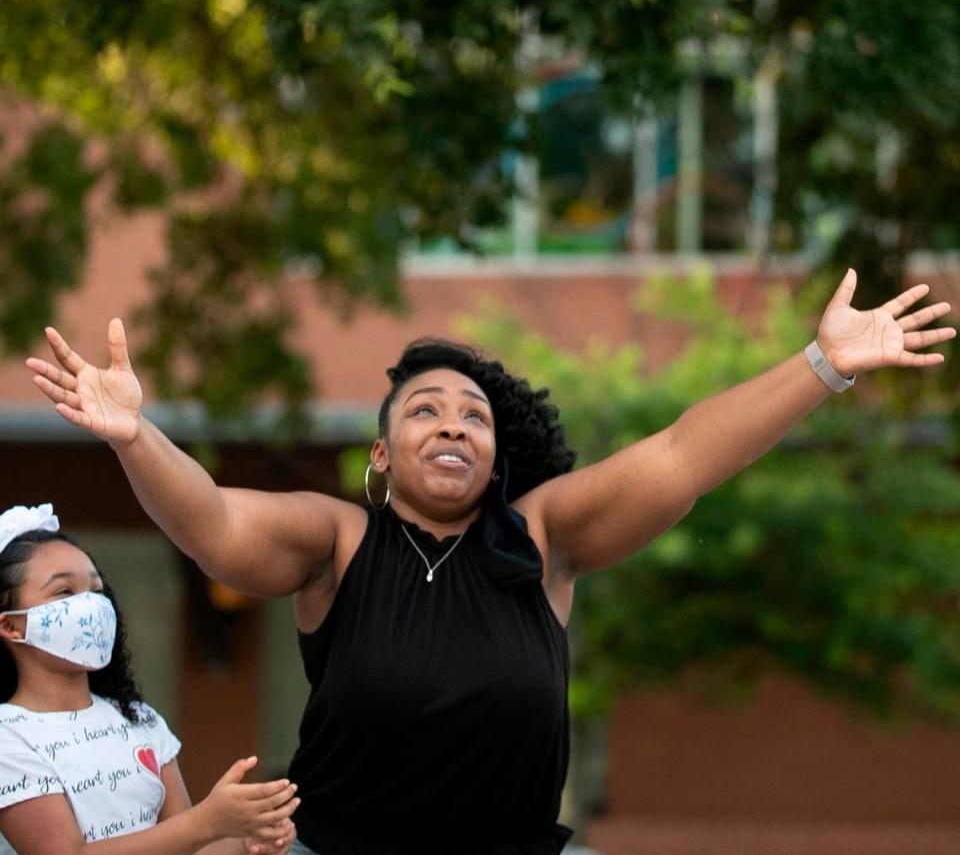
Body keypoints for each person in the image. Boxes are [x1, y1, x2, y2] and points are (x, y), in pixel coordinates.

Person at [24, 270, 955, 855]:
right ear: (382, 454)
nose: (454, 423)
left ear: (495, 453)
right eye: (425, 408)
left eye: (474, 414)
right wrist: (135, 437)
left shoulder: (542, 538)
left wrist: (821, 366)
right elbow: (217, 522)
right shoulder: (338, 539)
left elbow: (679, 455)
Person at [0, 504, 300, 855]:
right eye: (64, 592)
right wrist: (208, 821)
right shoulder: (8, 735)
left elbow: (186, 847)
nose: (91, 605)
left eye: (96, 591)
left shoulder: (138, 718)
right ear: (10, 625)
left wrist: (246, 841)